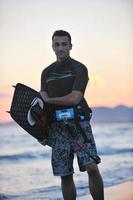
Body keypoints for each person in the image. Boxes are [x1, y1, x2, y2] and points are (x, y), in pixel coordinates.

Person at [39, 30, 104, 200]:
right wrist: (42, 133)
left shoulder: (79, 68)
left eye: (64, 44)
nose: (60, 48)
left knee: (92, 167)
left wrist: (50, 100)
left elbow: (75, 98)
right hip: (56, 128)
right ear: (52, 47)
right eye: (57, 44)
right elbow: (42, 105)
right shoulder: (46, 73)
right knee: (65, 174)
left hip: (79, 124)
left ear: (70, 46)